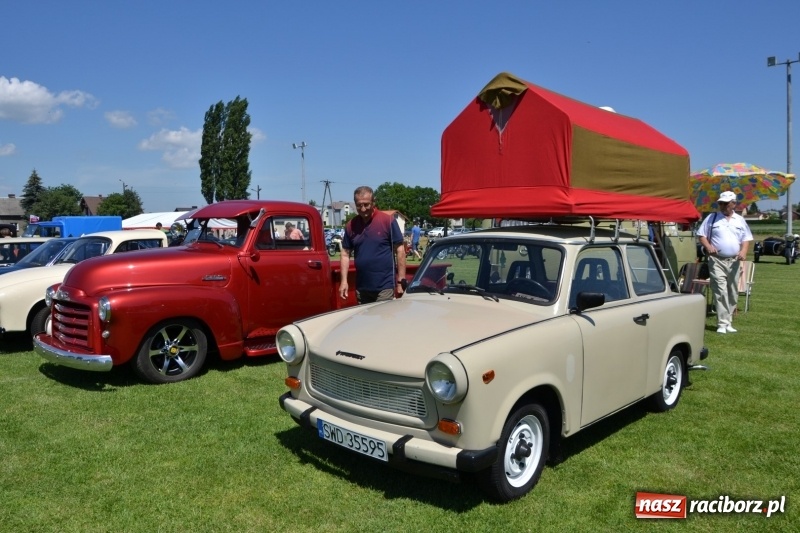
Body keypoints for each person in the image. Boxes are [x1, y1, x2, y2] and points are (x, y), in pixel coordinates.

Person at [697, 190, 753, 334]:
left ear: (733, 204)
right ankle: (722, 323)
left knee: (733, 292)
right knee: (720, 291)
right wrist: (708, 246)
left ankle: (728, 322)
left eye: (725, 203)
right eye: (721, 203)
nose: (722, 206)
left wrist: (744, 251)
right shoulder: (712, 217)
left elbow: (746, 238)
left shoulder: (740, 220)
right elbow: (701, 235)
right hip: (716, 260)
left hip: (734, 261)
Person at [339, 185, 406, 304]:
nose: (363, 209)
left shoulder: (387, 221)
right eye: (359, 205)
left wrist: (400, 281)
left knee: (382, 320)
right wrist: (344, 281)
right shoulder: (351, 225)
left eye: (366, 204)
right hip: (362, 287)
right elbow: (345, 254)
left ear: (373, 202)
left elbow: (400, 250)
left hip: (384, 286)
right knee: (365, 321)